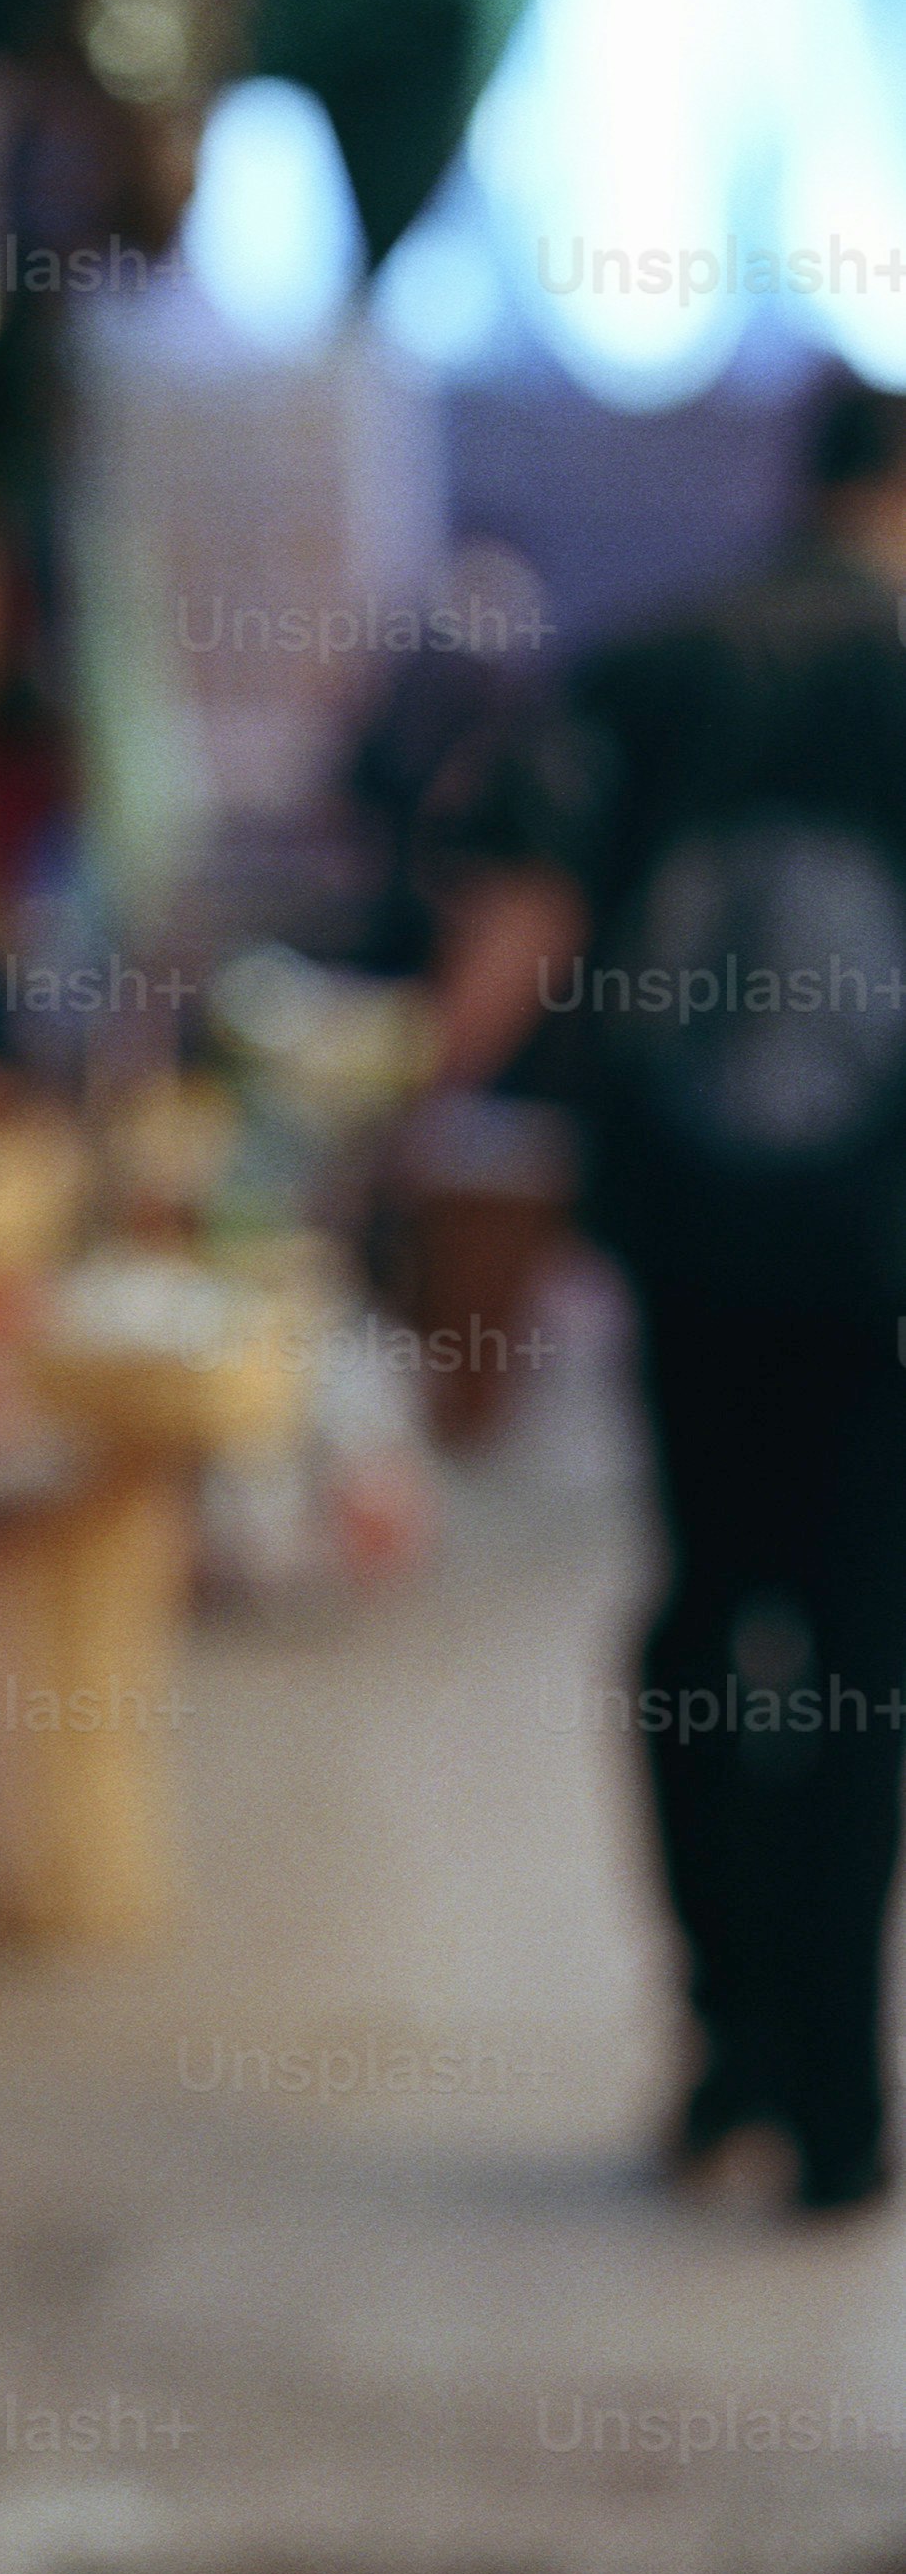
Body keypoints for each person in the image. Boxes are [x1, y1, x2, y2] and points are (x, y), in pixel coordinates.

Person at [431, 367, 906, 2220]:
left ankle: (718, 2060)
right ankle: (841, 2106)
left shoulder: (647, 666)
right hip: (883, 1261)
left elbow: (514, 947)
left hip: (689, 1247)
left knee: (706, 1615)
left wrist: (409, 1125)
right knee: (864, 1651)